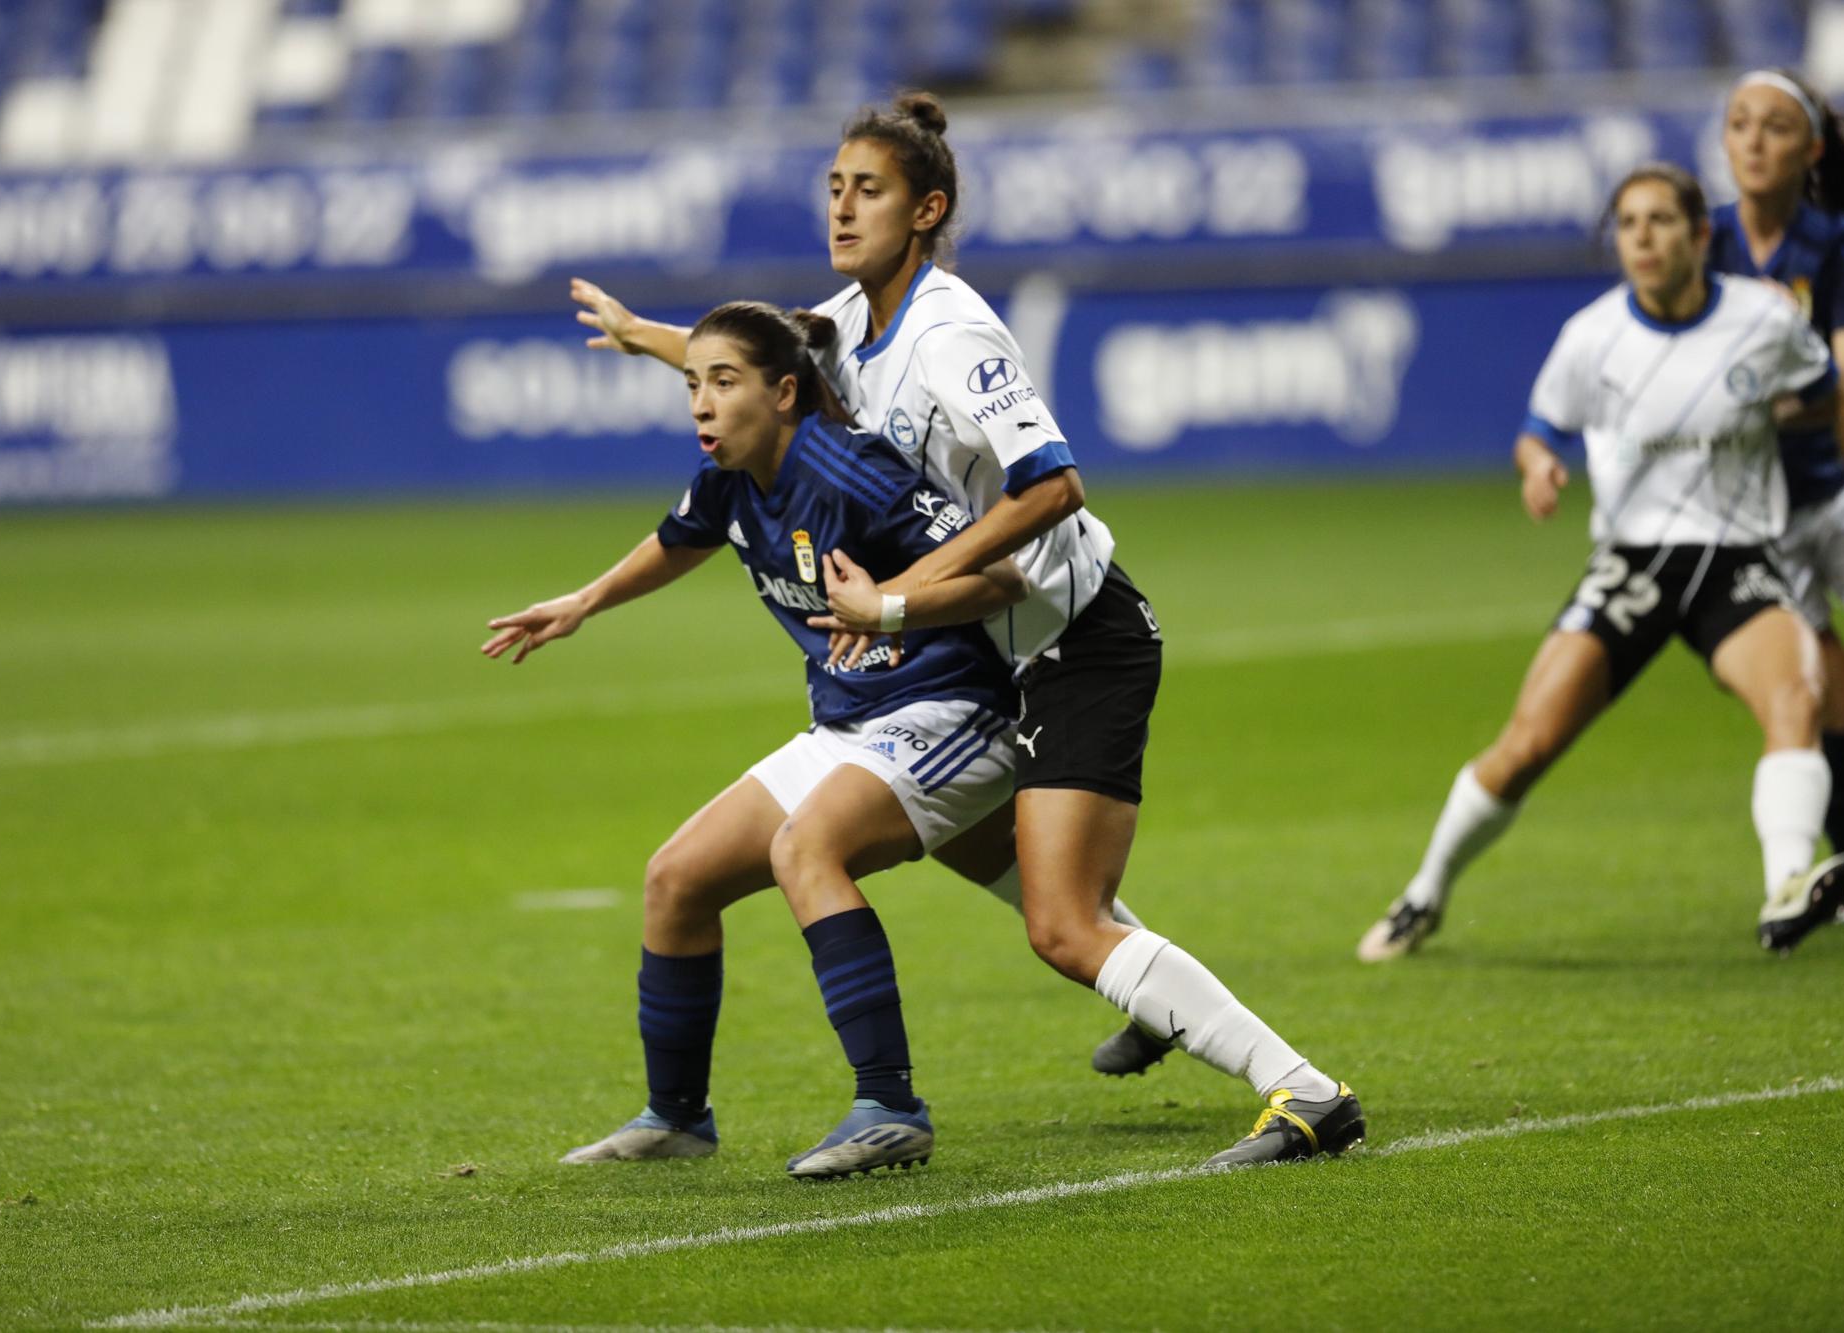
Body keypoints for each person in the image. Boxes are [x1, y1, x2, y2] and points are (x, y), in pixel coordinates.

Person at [574, 92, 1363, 1171]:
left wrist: (895, 596)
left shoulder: (952, 333)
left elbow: (1053, 487)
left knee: (1060, 921)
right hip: (986, 648)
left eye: (870, 191)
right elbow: (762, 373)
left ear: (926, 207)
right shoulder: (850, 323)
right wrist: (647, 340)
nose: (843, 209)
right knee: (1065, 914)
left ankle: (1308, 1096)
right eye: (835, 188)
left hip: (1073, 638)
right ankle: (1149, 992)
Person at [486, 300, 1031, 1178]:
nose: (700, 402)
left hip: (950, 710)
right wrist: (582, 602)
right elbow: (679, 539)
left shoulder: (854, 471)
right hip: (853, 722)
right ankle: (676, 1116)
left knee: (806, 848)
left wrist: (889, 603)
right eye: (693, 383)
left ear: (786, 393)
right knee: (676, 877)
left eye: (723, 382)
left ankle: (890, 1105)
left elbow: (1000, 572)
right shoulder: (730, 476)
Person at [1357, 163, 1844, 963]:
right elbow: (1540, 428)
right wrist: (1537, 467)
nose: (1643, 238)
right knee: (1527, 744)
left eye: (1661, 221)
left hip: (1736, 561)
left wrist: (1792, 430)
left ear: (1700, 236)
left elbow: (1825, 388)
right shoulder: (1593, 338)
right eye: (1628, 224)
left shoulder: (1764, 320)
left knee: (1796, 696)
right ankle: (1425, 892)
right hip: (1634, 565)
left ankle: (1787, 887)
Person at [1709, 70, 1844, 907]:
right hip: (1758, 513)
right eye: (1738, 124)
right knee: (1824, 686)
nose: (1754, 140)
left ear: (1810, 149)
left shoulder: (1834, 244)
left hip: (1838, 491)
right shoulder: (1704, 240)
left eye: (1773, 126)